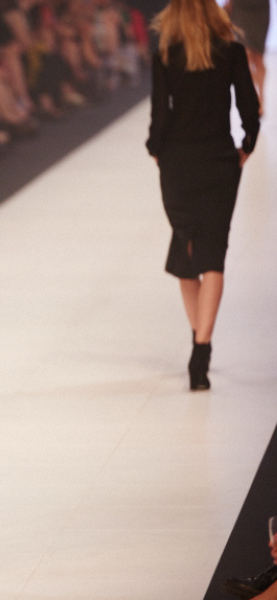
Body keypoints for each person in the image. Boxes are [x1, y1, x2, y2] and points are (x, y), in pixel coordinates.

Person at [146, 0, 260, 391]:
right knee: (211, 254)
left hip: (178, 163)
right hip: (218, 160)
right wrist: (246, 146)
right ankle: (201, 349)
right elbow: (248, 106)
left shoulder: (165, 54)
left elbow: (160, 113)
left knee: (189, 251)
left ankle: (200, 345)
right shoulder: (230, 51)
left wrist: (157, 150)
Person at [228, 0, 270, 113]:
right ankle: (254, 96)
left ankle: (260, 97)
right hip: (241, 7)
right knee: (245, 55)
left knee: (257, 55)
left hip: (259, 8)